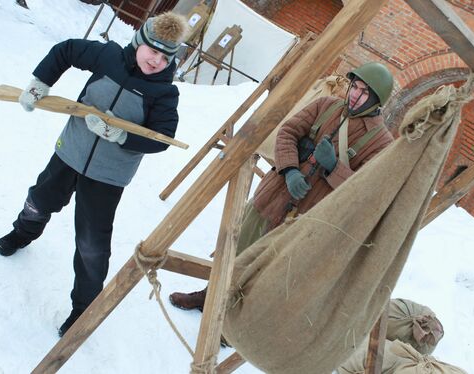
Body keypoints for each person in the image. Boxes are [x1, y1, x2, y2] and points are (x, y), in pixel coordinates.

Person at [0, 12, 189, 337]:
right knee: (39, 200)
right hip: (70, 150)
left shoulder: (164, 94)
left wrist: (121, 135)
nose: (156, 60)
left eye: (165, 55)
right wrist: (40, 83)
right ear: (139, 43)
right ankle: (21, 234)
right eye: (152, 50)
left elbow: (163, 138)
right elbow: (66, 50)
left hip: (108, 176)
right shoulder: (108, 56)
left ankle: (83, 309)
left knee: (92, 242)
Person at [169, 62, 396, 311]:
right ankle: (207, 296)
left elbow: (364, 192)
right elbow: (288, 132)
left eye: (364, 92)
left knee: (265, 275)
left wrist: (333, 168)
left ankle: (231, 325)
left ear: (376, 100)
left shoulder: (381, 143)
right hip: (271, 197)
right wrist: (289, 170)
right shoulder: (326, 106)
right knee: (235, 250)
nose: (354, 94)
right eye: (355, 86)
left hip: (304, 220)